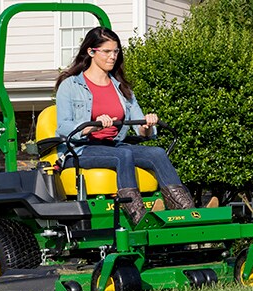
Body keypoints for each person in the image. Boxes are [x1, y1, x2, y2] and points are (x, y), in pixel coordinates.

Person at [54, 27, 193, 225]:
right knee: (124, 155)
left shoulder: (121, 87)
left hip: (114, 146)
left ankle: (185, 212)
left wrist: (148, 123)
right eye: (107, 51)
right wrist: (91, 127)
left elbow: (141, 130)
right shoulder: (70, 86)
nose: (113, 56)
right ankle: (138, 216)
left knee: (157, 153)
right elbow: (63, 127)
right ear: (91, 52)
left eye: (116, 51)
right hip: (81, 150)